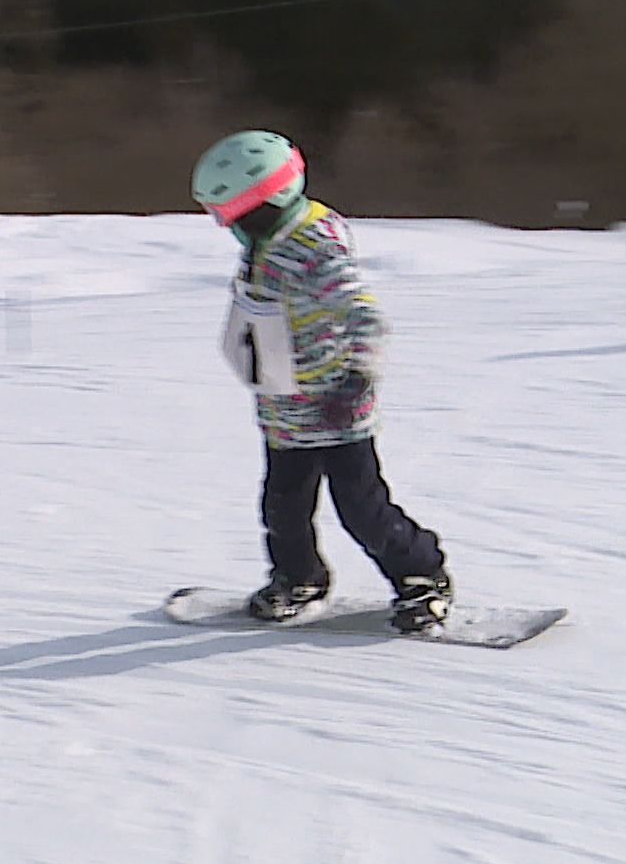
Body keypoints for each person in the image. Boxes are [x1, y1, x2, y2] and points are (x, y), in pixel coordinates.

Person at [190, 129, 452, 632]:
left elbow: (366, 317)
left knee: (362, 508)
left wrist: (357, 377)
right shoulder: (271, 238)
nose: (227, 227)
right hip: (285, 409)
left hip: (337, 407)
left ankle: (423, 575)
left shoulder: (316, 250)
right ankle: (299, 577)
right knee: (282, 507)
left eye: (229, 216)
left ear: (265, 203)